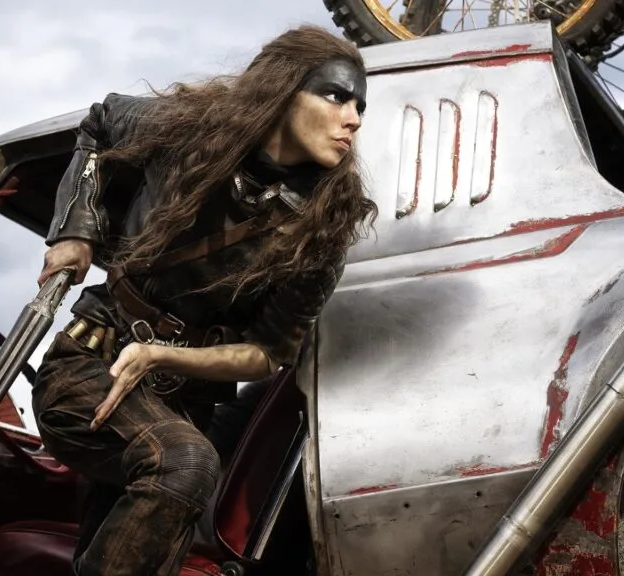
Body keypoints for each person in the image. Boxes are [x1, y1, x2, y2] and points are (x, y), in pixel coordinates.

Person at [31, 25, 377, 576]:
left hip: (184, 402)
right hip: (91, 364)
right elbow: (101, 121)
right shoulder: (187, 130)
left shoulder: (327, 222)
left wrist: (161, 356)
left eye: (359, 106)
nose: (353, 118)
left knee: (147, 535)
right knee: (186, 464)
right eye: (336, 96)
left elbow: (267, 353)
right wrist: (75, 230)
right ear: (284, 91)